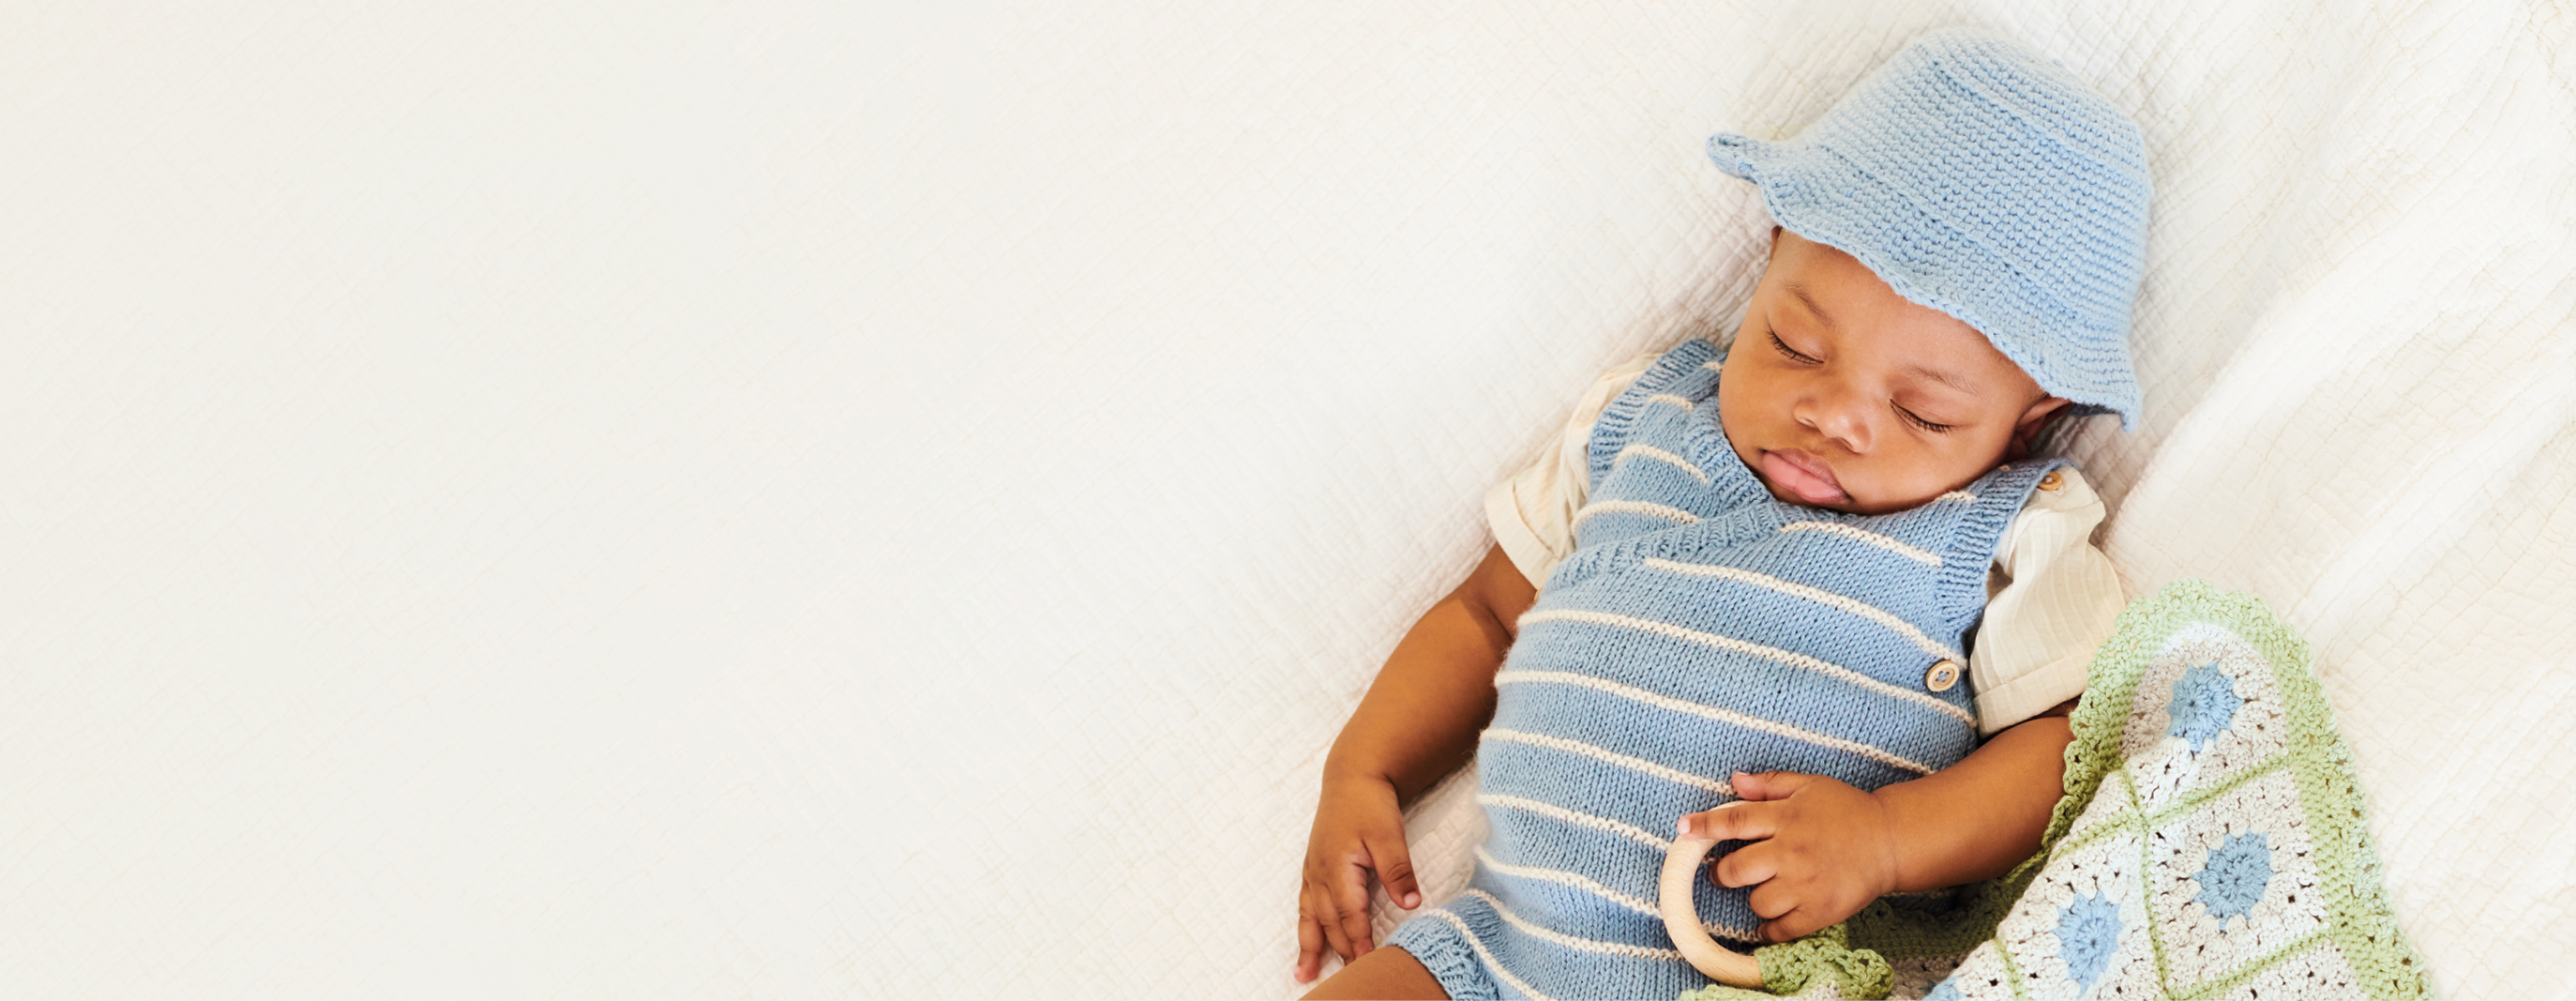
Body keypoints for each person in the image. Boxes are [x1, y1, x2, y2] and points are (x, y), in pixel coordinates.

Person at [1292, 27, 2151, 1000]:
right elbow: (1486, 616)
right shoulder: (1639, 421)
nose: (1831, 415)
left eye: (1920, 411)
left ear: (2029, 420)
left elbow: (2064, 749)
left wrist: (1887, 839)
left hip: (1752, 979)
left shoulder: (2007, 535)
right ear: (1769, 252)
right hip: (1499, 951)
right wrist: (1364, 767)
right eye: (1792, 342)